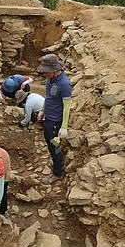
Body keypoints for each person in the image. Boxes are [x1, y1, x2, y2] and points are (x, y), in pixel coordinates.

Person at [36, 54, 72, 185]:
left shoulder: (64, 84)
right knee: (49, 141)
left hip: (56, 120)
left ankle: (57, 172)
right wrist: (42, 110)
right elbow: (48, 97)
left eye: (46, 71)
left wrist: (64, 126)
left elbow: (67, 106)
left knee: (54, 145)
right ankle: (56, 159)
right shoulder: (50, 79)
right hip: (49, 118)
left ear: (55, 70)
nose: (44, 74)